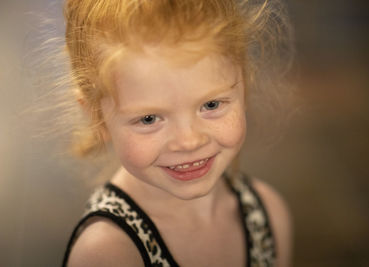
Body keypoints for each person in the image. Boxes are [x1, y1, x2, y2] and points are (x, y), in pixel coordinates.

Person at [61, 0, 293, 266]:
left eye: (211, 105)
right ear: (97, 119)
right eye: (148, 119)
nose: (189, 141)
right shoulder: (108, 253)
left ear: (244, 84)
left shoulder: (268, 217)